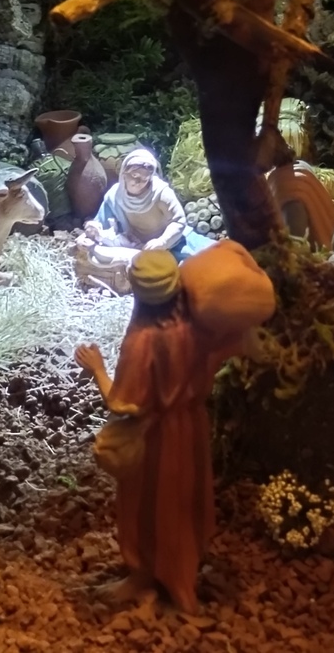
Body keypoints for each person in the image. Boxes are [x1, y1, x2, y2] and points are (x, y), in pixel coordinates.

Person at [75, 247, 269, 613]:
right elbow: (232, 346)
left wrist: (96, 369)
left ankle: (144, 575)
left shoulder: (143, 341)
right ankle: (182, 580)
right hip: (191, 427)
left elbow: (123, 403)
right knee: (185, 502)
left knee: (148, 506)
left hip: (156, 438)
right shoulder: (197, 324)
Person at [76, 149, 211, 292]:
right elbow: (100, 223)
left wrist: (162, 241)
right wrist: (90, 233)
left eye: (145, 178)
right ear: (124, 173)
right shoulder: (115, 195)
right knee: (97, 255)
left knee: (207, 258)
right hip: (133, 243)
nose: (138, 182)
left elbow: (178, 221)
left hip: (170, 243)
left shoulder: (161, 193)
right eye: (134, 175)